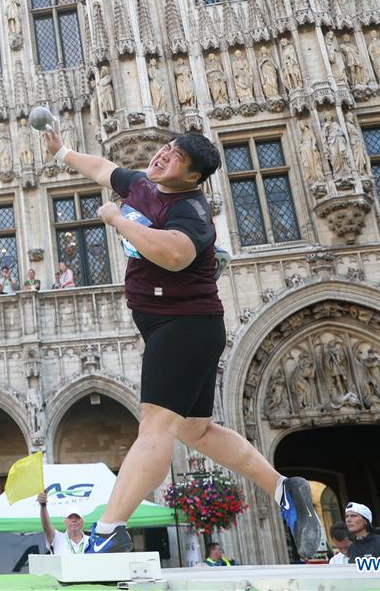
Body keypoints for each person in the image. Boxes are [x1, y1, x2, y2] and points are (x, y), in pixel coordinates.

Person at [42, 123, 321, 557]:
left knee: (155, 426)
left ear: (193, 177)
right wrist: (62, 152)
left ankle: (107, 531)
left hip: (185, 324)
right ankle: (285, 489)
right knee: (197, 428)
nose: (162, 155)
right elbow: (102, 168)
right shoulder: (141, 184)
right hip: (170, 325)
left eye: (174, 156)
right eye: (165, 148)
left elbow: (174, 254)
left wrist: (116, 219)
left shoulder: (191, 211)